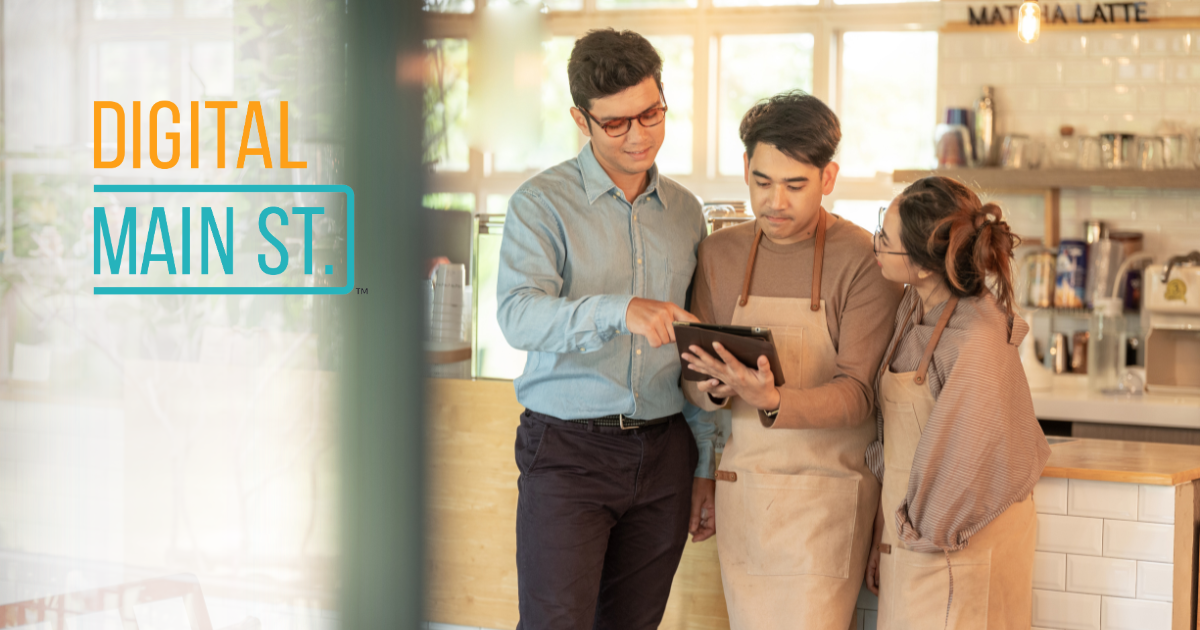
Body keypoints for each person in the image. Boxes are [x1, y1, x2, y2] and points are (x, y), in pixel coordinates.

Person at [496, 28, 718, 630]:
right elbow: (517, 314)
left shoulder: (686, 213)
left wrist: (704, 467)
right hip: (568, 451)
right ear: (580, 119)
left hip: (666, 451)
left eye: (651, 114)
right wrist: (616, 310)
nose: (639, 135)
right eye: (617, 123)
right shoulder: (540, 205)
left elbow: (694, 355)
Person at [679, 91, 902, 630]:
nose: (775, 201)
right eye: (762, 182)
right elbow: (692, 377)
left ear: (828, 178)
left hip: (827, 503)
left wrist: (773, 399)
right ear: (746, 169)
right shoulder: (718, 254)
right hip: (748, 500)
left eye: (795, 185)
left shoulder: (864, 261)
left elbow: (859, 395)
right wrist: (714, 387)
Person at [863, 176, 1051, 628]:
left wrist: (913, 536)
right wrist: (884, 538)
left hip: (949, 544)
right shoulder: (915, 305)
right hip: (916, 537)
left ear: (925, 265)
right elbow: (894, 442)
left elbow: (965, 463)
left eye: (884, 241)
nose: (875, 247)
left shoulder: (976, 338)